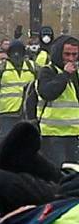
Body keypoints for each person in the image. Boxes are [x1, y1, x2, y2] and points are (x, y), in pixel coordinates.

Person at [36, 38, 79, 169]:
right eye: (67, 54)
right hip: (53, 133)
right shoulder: (48, 71)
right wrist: (65, 75)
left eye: (75, 54)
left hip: (74, 133)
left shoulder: (76, 74)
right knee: (57, 173)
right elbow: (48, 92)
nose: (71, 59)